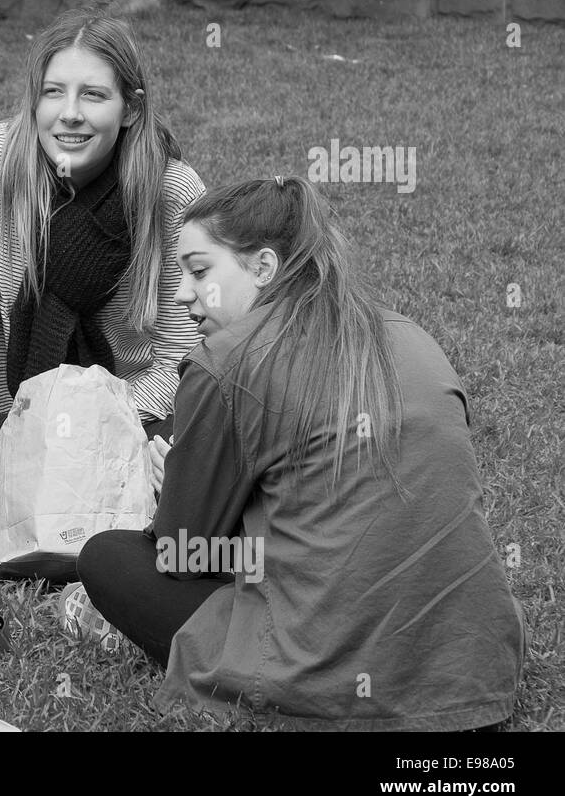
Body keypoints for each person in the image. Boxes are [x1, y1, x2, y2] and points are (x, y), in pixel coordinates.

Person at [77, 174, 525, 729]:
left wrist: (172, 485)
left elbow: (180, 549)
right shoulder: (412, 335)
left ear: (264, 268)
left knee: (107, 557)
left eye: (199, 271)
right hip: (474, 669)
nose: (182, 294)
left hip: (323, 676)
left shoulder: (228, 360)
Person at [0, 2, 204, 489]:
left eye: (94, 95)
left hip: (128, 407)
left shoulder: (171, 192)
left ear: (131, 109)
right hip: (7, 414)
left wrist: (84, 425)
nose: (69, 114)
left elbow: (182, 358)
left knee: (194, 447)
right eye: (53, 93)